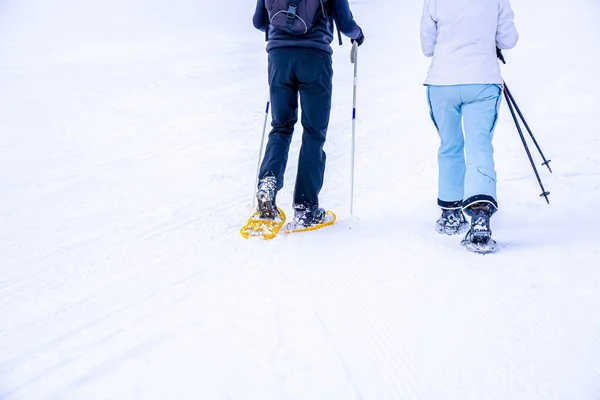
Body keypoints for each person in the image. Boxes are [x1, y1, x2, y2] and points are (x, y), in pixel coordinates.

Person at [252, 0, 364, 227]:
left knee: (281, 125)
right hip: (315, 58)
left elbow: (258, 22)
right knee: (314, 131)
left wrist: (283, 27)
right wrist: (358, 35)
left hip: (278, 58)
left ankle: (268, 184)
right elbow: (344, 22)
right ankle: (306, 207)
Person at [420, 0, 518, 248]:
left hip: (442, 82)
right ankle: (480, 213)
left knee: (450, 145)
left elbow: (427, 46)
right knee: (479, 145)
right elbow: (509, 39)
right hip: (482, 80)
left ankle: (451, 213)